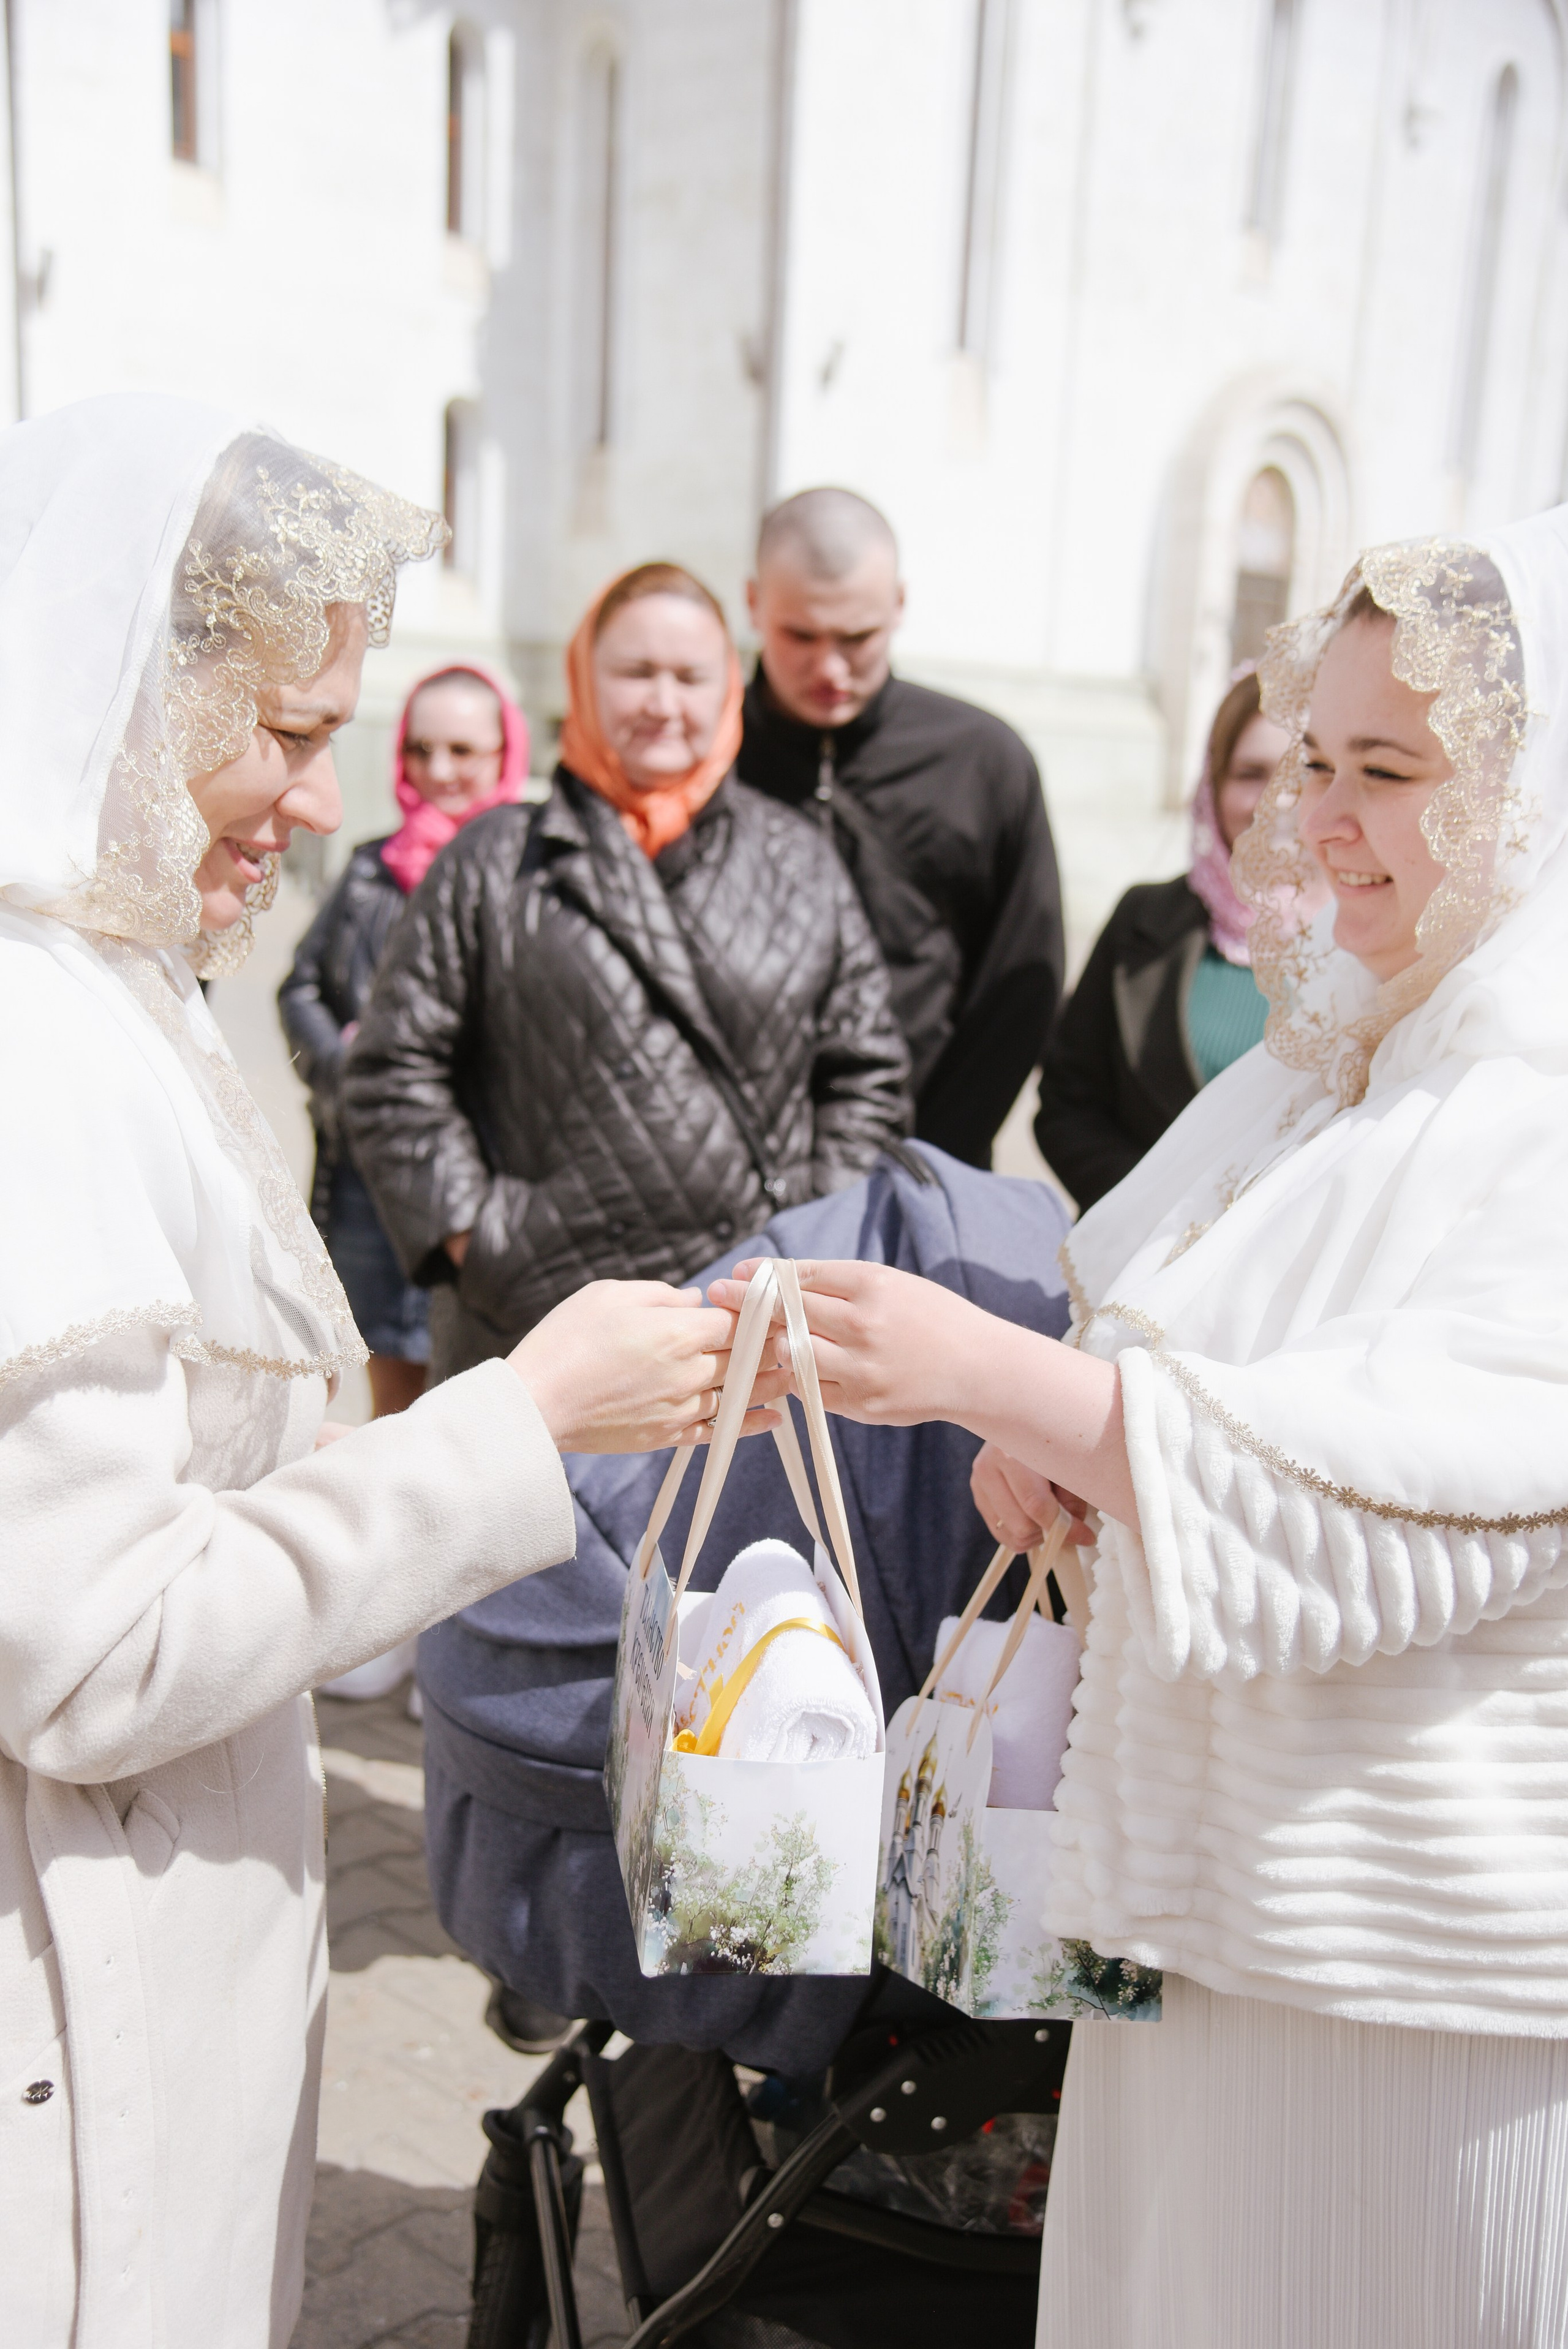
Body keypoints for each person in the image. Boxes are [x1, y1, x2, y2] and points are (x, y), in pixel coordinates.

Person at [717, 515, 1568, 2347]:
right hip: (1198, 1943)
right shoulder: (1330, 1064)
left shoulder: (1543, 1099)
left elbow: (1414, 1480)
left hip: (1409, 2005)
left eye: (1389, 772)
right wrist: (1073, 1465)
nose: (1319, 819)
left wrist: (992, 1377)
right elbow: (1184, 1399)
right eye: (1310, 761)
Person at [0, 396, 778, 2349]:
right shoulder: (34, 1041)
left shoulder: (110, 981)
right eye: (280, 729)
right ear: (109, 690)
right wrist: (520, 1418)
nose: (316, 797)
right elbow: (93, 1650)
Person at [344, 560, 910, 1384]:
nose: (663, 701)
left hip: (744, 1323)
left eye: (690, 675)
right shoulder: (495, 859)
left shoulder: (798, 859)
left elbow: (868, 1075)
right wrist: (481, 1239)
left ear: (729, 686)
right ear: (584, 678)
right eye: (636, 672)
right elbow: (394, 1071)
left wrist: (802, 1239)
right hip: (534, 1331)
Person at [739, 486, 1064, 1169]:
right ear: (753, 605)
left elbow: (1020, 989)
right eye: (800, 635)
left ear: (899, 605)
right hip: (737, 1182)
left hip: (926, 1169)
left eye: (856, 638)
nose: (829, 668)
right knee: (755, 1289)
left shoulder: (982, 762)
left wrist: (928, 1157)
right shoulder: (702, 760)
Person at [279, 663, 529, 1416]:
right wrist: (350, 1076)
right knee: (393, 1406)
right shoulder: (370, 870)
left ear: (503, 753)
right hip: (369, 1189)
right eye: (421, 750)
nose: (439, 770)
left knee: (484, 1410)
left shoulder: (536, 874)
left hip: (483, 1189)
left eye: (462, 750)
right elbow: (301, 988)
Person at [1033, 668, 1289, 1207]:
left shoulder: (1373, 948)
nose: (1276, 801)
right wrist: (1154, 1209)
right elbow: (1066, 1104)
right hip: (1131, 1261)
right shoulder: (1144, 920)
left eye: (1303, 773)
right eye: (1251, 773)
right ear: (1212, 782)